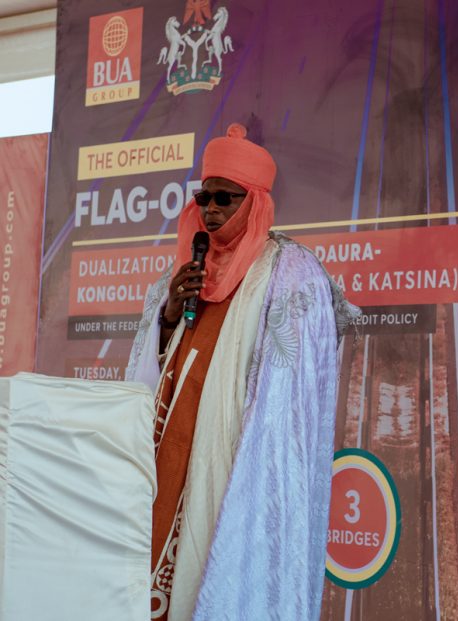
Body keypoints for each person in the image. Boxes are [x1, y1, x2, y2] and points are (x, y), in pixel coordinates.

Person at [127, 123, 357, 621]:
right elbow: (147, 370)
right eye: (203, 197)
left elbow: (291, 392)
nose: (210, 210)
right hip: (172, 451)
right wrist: (168, 316)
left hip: (237, 458)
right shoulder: (183, 271)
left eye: (224, 199)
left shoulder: (289, 271)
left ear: (254, 201)